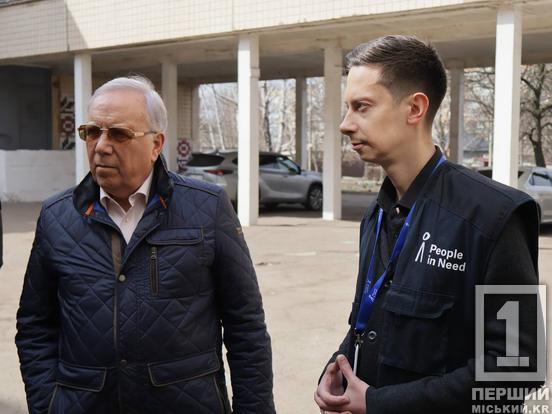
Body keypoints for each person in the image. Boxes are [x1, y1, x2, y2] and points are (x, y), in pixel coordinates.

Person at [16, 76, 275, 414]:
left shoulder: (207, 207)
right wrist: (47, 405)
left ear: (156, 144)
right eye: (92, 132)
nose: (101, 146)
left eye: (119, 134)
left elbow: (246, 327)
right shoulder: (57, 216)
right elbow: (35, 325)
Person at [315, 35, 542, 413]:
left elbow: (516, 370)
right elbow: (371, 320)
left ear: (415, 108)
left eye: (361, 107)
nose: (345, 124)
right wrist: (337, 367)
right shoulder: (376, 214)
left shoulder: (493, 216)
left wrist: (379, 403)